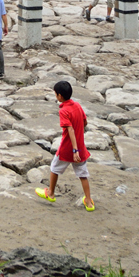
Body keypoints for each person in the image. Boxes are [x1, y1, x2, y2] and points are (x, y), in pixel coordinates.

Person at [36, 80, 94, 211]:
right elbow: (85, 122)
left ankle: (50, 192)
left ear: (60, 96)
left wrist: (74, 150)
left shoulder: (64, 111)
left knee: (54, 168)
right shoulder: (77, 106)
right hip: (80, 146)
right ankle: (89, 202)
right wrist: (78, 144)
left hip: (69, 148)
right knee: (83, 174)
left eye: (55, 94)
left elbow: (70, 130)